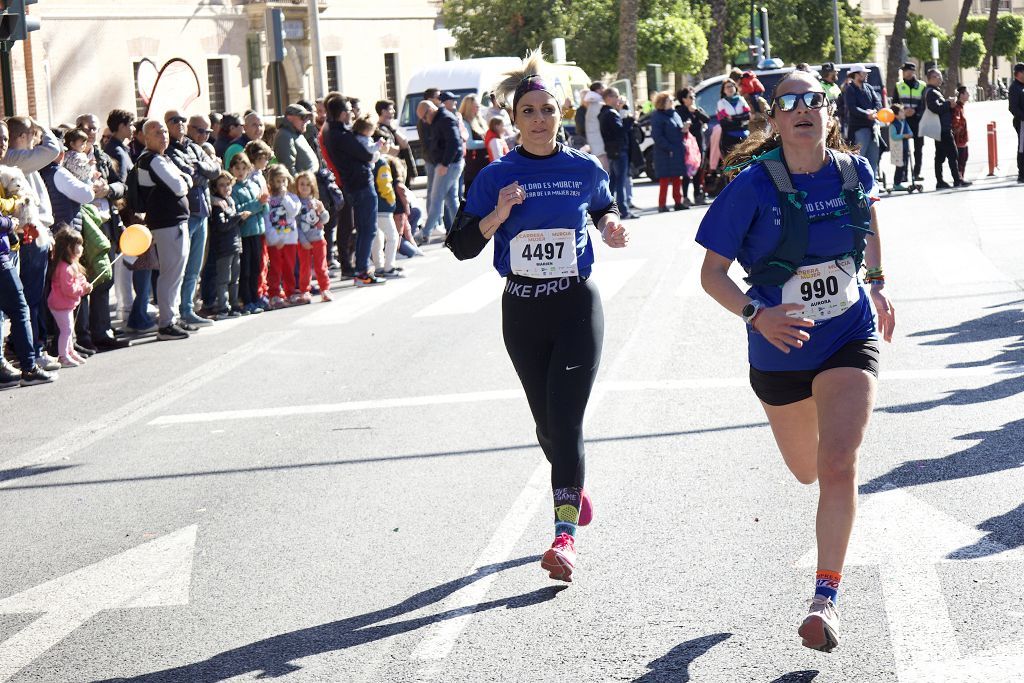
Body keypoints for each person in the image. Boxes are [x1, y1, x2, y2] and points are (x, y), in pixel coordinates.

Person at [696, 70, 895, 653]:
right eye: (791, 102)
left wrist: (877, 284)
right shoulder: (752, 186)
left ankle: (824, 599)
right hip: (779, 349)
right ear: (776, 118)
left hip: (846, 330)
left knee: (837, 464)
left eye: (814, 100)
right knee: (805, 470)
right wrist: (756, 313)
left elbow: (871, 224)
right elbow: (712, 275)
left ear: (828, 113)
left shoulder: (854, 169)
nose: (804, 109)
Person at [445, 49, 629, 583]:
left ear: (561, 112)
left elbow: (603, 206)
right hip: (523, 310)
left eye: (548, 109)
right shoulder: (495, 175)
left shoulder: (583, 167)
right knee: (548, 427)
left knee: (567, 424)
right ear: (514, 118)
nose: (540, 119)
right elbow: (459, 245)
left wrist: (613, 226)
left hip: (575, 303)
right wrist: (498, 214)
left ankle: (563, 537)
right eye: (529, 111)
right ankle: (571, 482)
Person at [0, 120, 56, 387]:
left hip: (10, 247)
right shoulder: (10, 170)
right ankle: (30, 365)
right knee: (21, 307)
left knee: (10, 310)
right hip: (3, 253)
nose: (2, 145)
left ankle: (6, 365)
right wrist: (13, 221)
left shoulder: (9, 171)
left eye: (3, 139)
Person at [135, 119, 194, 340]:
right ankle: (166, 323)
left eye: (164, 132)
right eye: (157, 132)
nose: (164, 136)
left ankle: (173, 317)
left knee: (175, 272)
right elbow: (179, 186)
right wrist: (184, 179)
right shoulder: (152, 160)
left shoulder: (161, 158)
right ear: (146, 137)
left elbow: (184, 178)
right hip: (167, 223)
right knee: (171, 273)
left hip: (173, 222)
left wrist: (184, 179)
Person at [322, 94, 385, 287]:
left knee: (364, 229)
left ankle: (361, 269)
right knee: (368, 229)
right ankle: (362, 272)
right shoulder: (340, 135)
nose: (352, 114)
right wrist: (377, 149)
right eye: (349, 110)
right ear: (342, 114)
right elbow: (366, 154)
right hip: (360, 185)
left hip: (353, 185)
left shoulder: (334, 132)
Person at [166, 110, 220, 328]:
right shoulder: (169, 150)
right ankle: (177, 310)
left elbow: (215, 169)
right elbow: (187, 175)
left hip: (203, 211)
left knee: (195, 266)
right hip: (186, 213)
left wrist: (203, 168)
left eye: (208, 131)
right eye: (200, 130)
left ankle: (188, 308)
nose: (205, 135)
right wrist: (203, 170)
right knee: (181, 265)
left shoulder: (194, 148)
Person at [420, 91, 465, 245]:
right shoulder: (440, 119)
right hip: (449, 163)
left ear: (430, 111)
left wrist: (445, 164)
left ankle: (424, 234)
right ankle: (458, 232)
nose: (424, 121)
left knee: (436, 198)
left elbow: (454, 143)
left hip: (449, 164)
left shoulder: (445, 119)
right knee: (450, 199)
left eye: (424, 117)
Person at [47, 226, 92, 367]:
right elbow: (69, 289)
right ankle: (63, 356)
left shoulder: (71, 264)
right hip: (60, 305)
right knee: (66, 331)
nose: (81, 248)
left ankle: (70, 351)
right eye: (77, 244)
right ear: (67, 247)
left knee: (69, 329)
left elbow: (78, 279)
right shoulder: (64, 268)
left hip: (65, 304)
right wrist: (82, 290)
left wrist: (84, 284)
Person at [230, 153, 268, 314]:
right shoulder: (233, 189)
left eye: (244, 168)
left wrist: (260, 205)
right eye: (237, 168)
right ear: (231, 169)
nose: (240, 172)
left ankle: (255, 296)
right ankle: (246, 299)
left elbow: (263, 207)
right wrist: (257, 205)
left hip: (257, 231)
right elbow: (239, 209)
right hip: (244, 233)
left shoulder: (253, 185)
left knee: (256, 267)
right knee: (245, 269)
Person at [207, 170, 249, 318]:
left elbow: (233, 223)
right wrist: (238, 217)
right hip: (223, 247)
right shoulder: (218, 204)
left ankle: (234, 305)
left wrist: (240, 218)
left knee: (234, 279)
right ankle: (223, 307)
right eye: (221, 185)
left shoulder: (230, 201)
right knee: (224, 279)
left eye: (228, 185)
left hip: (235, 244)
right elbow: (222, 225)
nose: (226, 188)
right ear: (216, 188)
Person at [923, 69, 970, 190]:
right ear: (932, 78)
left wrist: (947, 103)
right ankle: (956, 179)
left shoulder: (933, 91)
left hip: (941, 128)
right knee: (952, 154)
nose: (941, 79)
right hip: (942, 129)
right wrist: (949, 103)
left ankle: (941, 181)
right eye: (939, 77)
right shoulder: (931, 92)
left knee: (940, 156)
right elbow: (935, 108)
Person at [263, 164, 301, 308]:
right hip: (275, 241)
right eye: (278, 181)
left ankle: (290, 292)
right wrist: (274, 238)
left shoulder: (292, 197)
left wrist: (285, 197)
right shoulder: (269, 200)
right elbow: (267, 219)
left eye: (283, 181)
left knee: (289, 267)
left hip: (290, 239)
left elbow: (293, 212)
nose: (281, 184)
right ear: (272, 182)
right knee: (276, 268)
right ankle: (274, 294)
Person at [294, 170, 332, 302]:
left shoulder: (317, 202)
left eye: (307, 184)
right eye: (301, 184)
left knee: (321, 266)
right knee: (304, 268)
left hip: (318, 239)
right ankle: (305, 291)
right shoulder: (297, 204)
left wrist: (321, 210)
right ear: (297, 186)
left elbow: (325, 219)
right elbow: (296, 225)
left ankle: (325, 289)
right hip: (304, 241)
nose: (304, 187)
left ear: (312, 186)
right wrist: (303, 240)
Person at [842, 64, 882, 179]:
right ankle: (859, 183)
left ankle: (873, 183)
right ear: (856, 74)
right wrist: (866, 114)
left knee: (873, 158)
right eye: (864, 73)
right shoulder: (850, 89)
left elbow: (878, 102)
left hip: (873, 128)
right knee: (860, 157)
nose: (866, 75)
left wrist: (874, 111)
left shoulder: (868, 87)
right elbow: (852, 108)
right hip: (859, 129)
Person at [650, 91, 687, 212]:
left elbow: (679, 129)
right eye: (669, 100)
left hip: (677, 149)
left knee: (677, 177)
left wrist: (684, 128)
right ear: (662, 103)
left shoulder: (674, 114)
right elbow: (657, 136)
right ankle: (662, 205)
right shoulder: (657, 116)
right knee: (664, 179)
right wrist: (669, 148)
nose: (672, 102)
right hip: (664, 152)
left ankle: (678, 202)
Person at [675, 88, 711, 206]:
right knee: (687, 172)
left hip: (699, 144)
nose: (693, 99)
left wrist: (695, 111)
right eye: (691, 97)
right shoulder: (679, 111)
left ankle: (697, 195)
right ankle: (685, 197)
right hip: (687, 146)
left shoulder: (696, 109)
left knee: (698, 170)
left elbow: (707, 119)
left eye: (694, 97)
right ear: (684, 99)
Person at [892, 63, 926, 182]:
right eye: (904, 70)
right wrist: (903, 111)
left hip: (918, 120)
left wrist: (915, 111)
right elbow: (894, 103)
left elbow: (924, 103)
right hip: (903, 121)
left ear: (913, 71)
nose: (906, 72)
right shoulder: (899, 85)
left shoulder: (922, 85)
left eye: (907, 70)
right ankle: (904, 175)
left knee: (918, 148)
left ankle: (916, 173)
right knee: (903, 149)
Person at [274, 103, 319, 176]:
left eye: (307, 117)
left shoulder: (296, 133)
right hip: (302, 185)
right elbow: (288, 169)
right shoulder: (284, 136)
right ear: (290, 118)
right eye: (303, 117)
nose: (306, 120)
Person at [458, 94, 489, 191]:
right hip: (473, 167)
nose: (479, 108)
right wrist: (488, 143)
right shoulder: (465, 122)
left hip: (484, 163)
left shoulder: (480, 120)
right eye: (476, 106)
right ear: (469, 108)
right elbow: (469, 144)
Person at [717, 79, 751, 161]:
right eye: (727, 87)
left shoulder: (741, 99)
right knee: (732, 161)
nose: (730, 88)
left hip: (744, 135)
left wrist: (733, 118)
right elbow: (724, 121)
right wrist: (740, 119)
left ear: (735, 88)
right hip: (729, 137)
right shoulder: (721, 103)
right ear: (723, 90)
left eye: (732, 86)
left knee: (745, 159)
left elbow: (747, 116)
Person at [888, 104, 913, 191]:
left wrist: (909, 134)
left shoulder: (904, 122)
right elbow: (893, 136)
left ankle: (899, 182)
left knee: (903, 165)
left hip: (905, 147)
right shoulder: (893, 125)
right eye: (901, 111)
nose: (903, 113)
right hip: (898, 148)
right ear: (896, 114)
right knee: (899, 165)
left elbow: (909, 131)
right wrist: (904, 136)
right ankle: (896, 183)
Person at [951, 86, 970, 180]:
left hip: (962, 139)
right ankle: (959, 178)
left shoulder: (961, 107)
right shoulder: (957, 108)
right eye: (966, 93)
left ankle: (961, 177)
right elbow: (956, 123)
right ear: (961, 95)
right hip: (959, 140)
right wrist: (959, 132)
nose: (968, 95)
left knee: (964, 158)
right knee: (961, 159)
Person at [1010, 63, 1024, 183]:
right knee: (1022, 148)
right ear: (1019, 73)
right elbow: (1013, 107)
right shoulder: (1015, 87)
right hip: (1022, 122)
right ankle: (1022, 174)